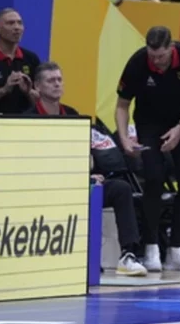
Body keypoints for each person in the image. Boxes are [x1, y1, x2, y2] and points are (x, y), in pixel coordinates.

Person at [27, 62, 147, 276]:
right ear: (37, 85)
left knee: (120, 188)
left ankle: (129, 254)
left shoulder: (73, 115)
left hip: (79, 184)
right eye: (50, 80)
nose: (56, 84)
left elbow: (85, 154)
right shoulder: (28, 118)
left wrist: (92, 175)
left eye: (59, 80)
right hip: (46, 187)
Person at [115, 26, 180, 272]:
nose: (157, 61)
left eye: (161, 56)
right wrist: (124, 138)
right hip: (149, 122)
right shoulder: (137, 63)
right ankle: (151, 247)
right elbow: (122, 105)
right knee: (154, 178)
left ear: (171, 48)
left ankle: (177, 249)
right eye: (152, 56)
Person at [0, 8, 40, 114]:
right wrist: (4, 89)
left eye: (20, 23)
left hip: (25, 124)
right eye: (10, 23)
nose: (16, 27)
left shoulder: (31, 58)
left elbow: (41, 103)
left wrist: (28, 91)